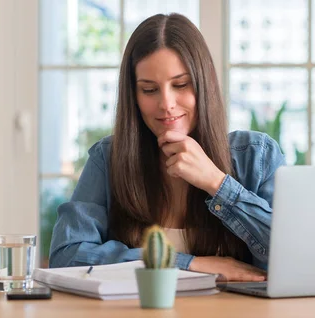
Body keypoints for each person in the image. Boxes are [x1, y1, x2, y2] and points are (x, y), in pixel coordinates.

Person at [49, 13, 286, 282]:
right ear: (134, 96)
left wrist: (217, 184)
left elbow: (292, 256)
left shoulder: (256, 156)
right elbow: (67, 257)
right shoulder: (108, 158)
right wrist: (191, 264)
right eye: (149, 90)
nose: (166, 103)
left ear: (203, 85)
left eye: (180, 85)